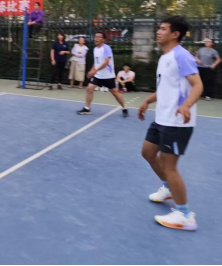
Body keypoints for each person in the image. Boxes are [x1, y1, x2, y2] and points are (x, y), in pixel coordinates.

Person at [139, 16, 203, 231]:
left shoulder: (181, 56)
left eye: (163, 29)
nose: (158, 31)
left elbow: (198, 85)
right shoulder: (165, 57)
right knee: (148, 152)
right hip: (162, 118)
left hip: (176, 122)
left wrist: (186, 105)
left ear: (175, 34)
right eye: (159, 28)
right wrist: (148, 101)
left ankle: (185, 215)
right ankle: (168, 189)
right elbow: (166, 88)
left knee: (170, 166)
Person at [78, 32, 129, 117]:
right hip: (98, 75)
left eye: (99, 37)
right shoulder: (95, 49)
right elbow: (96, 63)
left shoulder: (106, 48)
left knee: (114, 93)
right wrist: (91, 71)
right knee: (89, 88)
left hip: (108, 76)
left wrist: (95, 70)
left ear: (103, 39)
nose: (96, 38)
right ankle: (87, 108)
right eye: (95, 36)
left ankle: (124, 107)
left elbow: (106, 62)